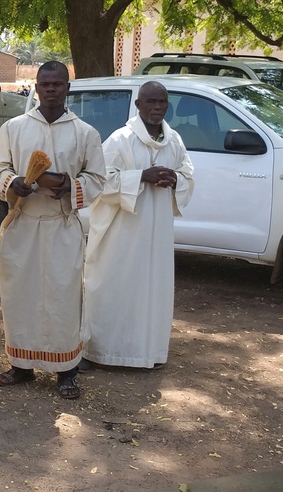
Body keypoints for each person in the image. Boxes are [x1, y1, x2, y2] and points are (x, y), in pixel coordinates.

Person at [0, 61, 105, 400]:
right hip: (23, 224)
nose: (51, 89)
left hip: (60, 224)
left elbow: (98, 179)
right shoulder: (14, 128)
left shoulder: (85, 133)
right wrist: (13, 184)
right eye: (44, 84)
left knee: (63, 296)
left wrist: (69, 184)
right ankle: (21, 366)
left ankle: (66, 370)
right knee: (19, 295)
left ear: (68, 87)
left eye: (57, 84)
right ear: (36, 87)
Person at [82, 81, 194, 370]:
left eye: (162, 102)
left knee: (151, 290)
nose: (157, 108)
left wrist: (176, 180)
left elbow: (188, 174)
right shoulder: (120, 140)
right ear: (138, 105)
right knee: (113, 286)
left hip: (155, 233)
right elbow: (100, 180)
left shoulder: (175, 141)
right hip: (121, 233)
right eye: (151, 102)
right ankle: (101, 352)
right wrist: (141, 176)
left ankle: (148, 352)